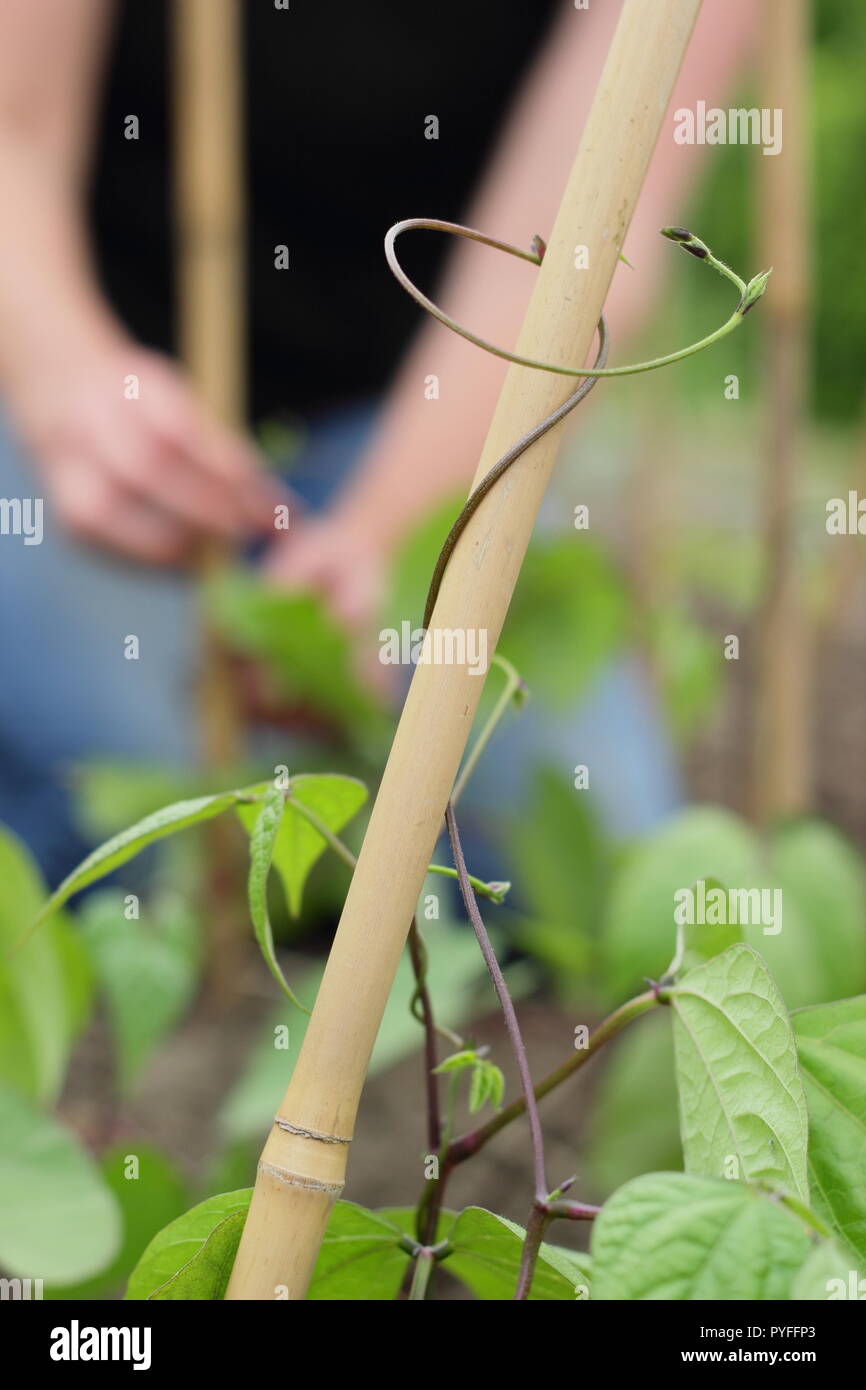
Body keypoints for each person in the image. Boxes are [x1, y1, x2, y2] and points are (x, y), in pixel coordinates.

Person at [0, 0, 757, 884]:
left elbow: (582, 246)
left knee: (600, 847)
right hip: (72, 375)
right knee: (143, 824)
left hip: (417, 407)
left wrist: (390, 541)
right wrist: (70, 379)